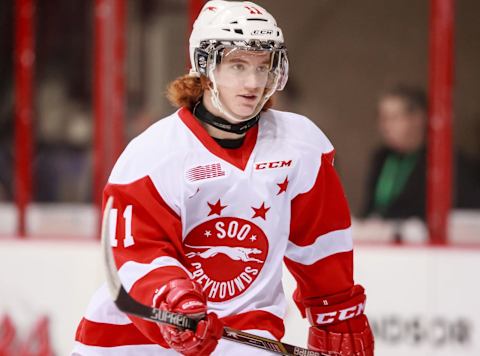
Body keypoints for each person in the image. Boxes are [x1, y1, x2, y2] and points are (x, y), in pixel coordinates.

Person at [73, 1, 374, 355]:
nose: (253, 82)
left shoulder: (299, 145)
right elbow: (137, 255)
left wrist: (337, 315)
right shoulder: (154, 154)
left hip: (243, 336)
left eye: (263, 67)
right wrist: (173, 304)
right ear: (205, 66)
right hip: (133, 343)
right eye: (238, 65)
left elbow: (321, 242)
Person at [362, 84, 480, 221]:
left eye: (393, 118)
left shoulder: (446, 161)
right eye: (382, 119)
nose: (385, 126)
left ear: (418, 119)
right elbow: (370, 208)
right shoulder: (381, 158)